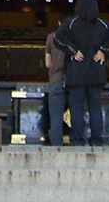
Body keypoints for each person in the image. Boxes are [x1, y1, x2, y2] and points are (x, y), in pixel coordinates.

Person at [53, 0, 109, 146]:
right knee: (95, 107)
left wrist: (73, 51)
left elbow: (58, 37)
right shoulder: (102, 24)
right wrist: (103, 50)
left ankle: (77, 139)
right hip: (96, 72)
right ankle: (97, 139)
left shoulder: (71, 24)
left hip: (77, 71)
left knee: (76, 108)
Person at [44, 12, 72, 146]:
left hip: (55, 80)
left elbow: (47, 63)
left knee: (55, 117)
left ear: (59, 23)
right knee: (77, 115)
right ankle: (77, 143)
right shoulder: (75, 37)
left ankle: (56, 145)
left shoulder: (51, 37)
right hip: (74, 81)